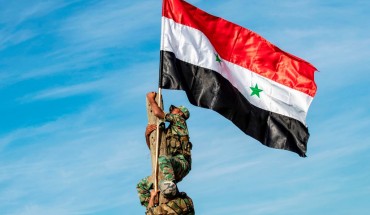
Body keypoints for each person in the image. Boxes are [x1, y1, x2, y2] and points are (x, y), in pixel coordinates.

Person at [137, 92, 192, 207]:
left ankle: (170, 192)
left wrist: (151, 99)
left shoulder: (180, 120)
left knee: (163, 159)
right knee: (141, 185)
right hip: (167, 167)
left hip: (181, 163)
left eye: (175, 110)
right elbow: (154, 150)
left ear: (181, 113)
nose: (172, 110)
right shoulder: (167, 132)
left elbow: (157, 113)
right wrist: (147, 136)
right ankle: (152, 207)